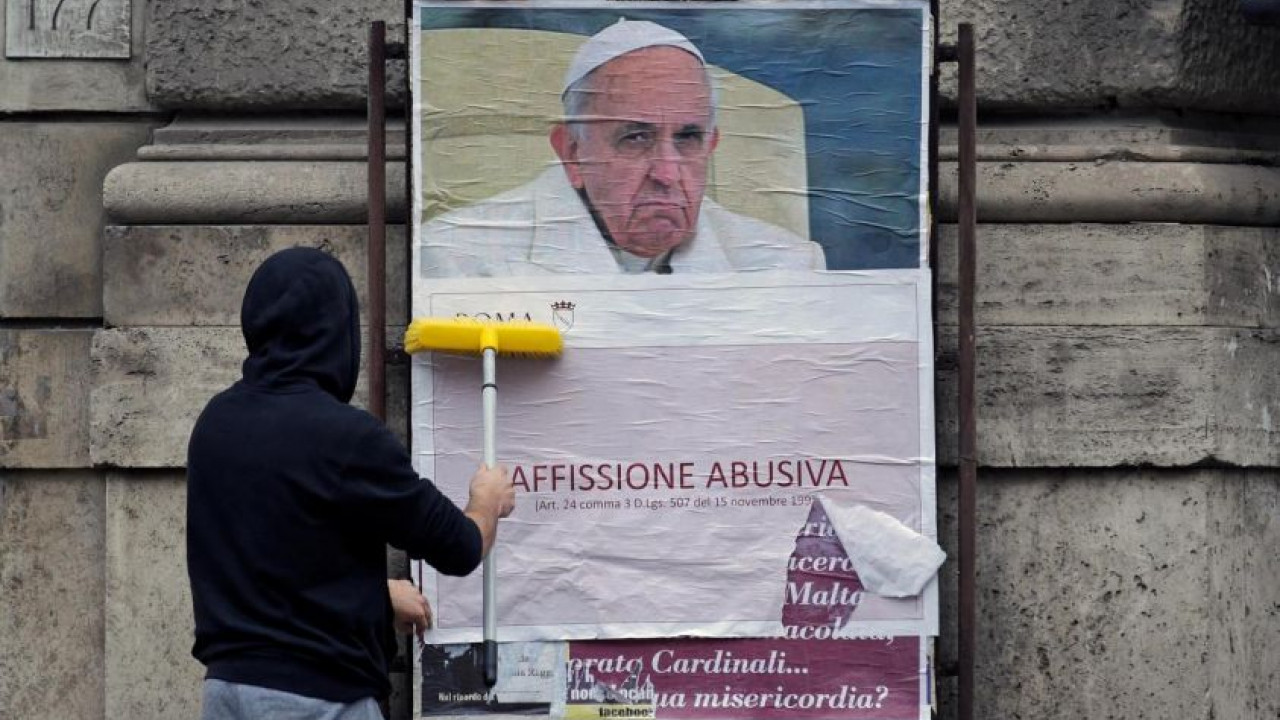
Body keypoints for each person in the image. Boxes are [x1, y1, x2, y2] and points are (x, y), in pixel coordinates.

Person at [186, 247, 515, 719]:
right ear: (337, 332)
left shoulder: (215, 425)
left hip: (226, 694)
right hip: (319, 700)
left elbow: (279, 566)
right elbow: (459, 546)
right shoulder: (345, 438)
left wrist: (376, 598)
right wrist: (486, 503)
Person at [421, 19, 826, 277]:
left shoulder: (782, 268)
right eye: (636, 138)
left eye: (687, 138)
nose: (667, 174)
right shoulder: (460, 260)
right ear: (572, 153)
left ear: (711, 145)